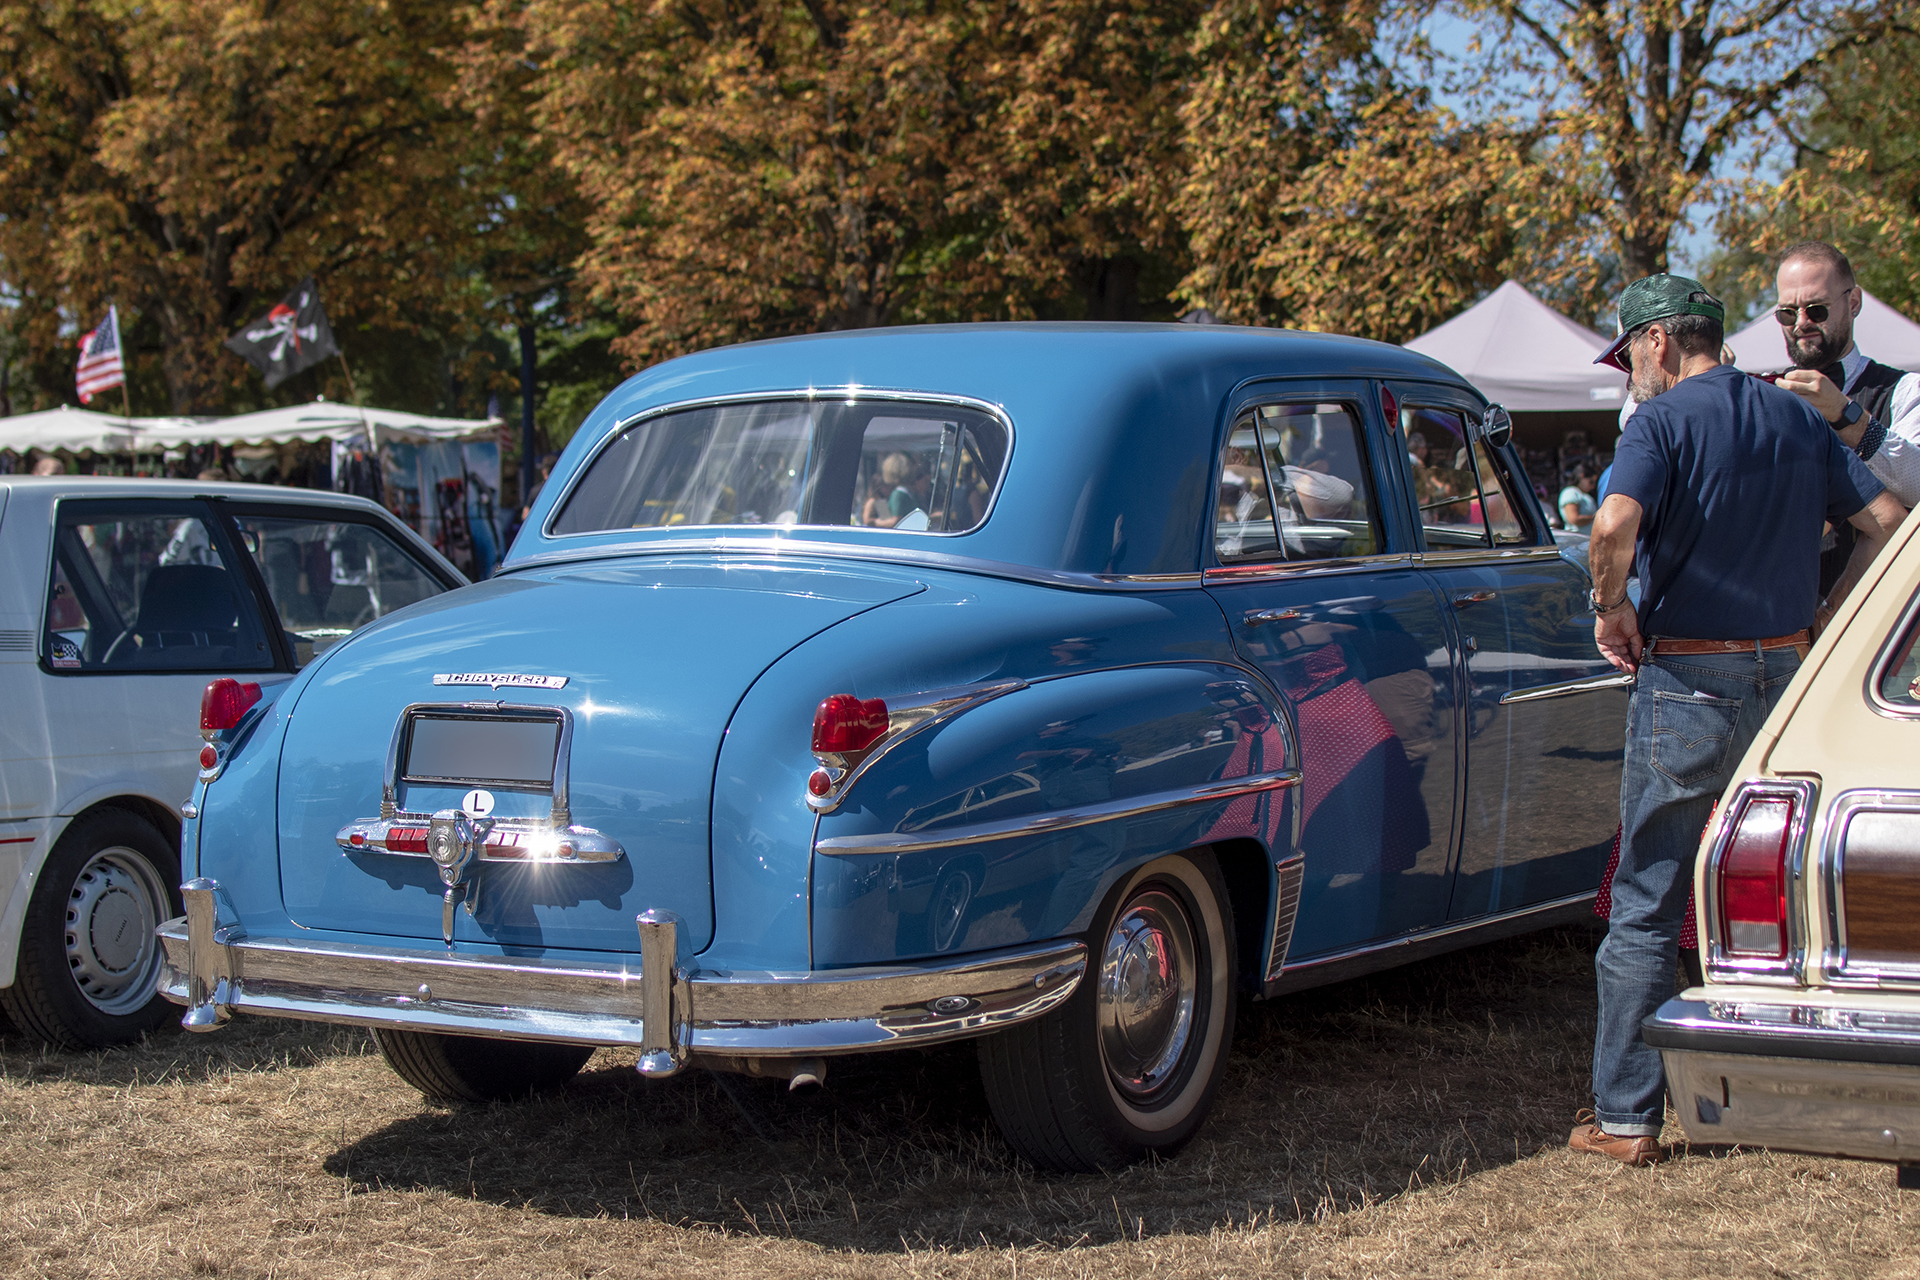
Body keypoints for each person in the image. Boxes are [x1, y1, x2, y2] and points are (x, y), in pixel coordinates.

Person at [1571, 273, 1906, 1168]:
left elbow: (1612, 523)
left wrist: (1609, 608)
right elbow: (1886, 519)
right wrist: (1834, 616)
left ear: (1656, 343)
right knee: (1775, 899)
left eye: (1630, 355)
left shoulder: (1661, 420)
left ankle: (1626, 1119)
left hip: (1687, 677)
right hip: (1789, 678)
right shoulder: (1796, 416)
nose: (1632, 374)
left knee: (1648, 900)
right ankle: (1790, 1098)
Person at [1771, 242, 1920, 595]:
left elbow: (1917, 485)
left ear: (1853, 303)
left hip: (1880, 622)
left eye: (1816, 310)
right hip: (1779, 623)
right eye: (1787, 314)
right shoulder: (1767, 396)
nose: (1801, 324)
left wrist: (1845, 415)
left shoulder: (1902, 389)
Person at [1558, 462, 1597, 532]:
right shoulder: (1571, 492)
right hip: (1577, 540)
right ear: (1582, 476)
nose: (1593, 486)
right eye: (1591, 482)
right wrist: (1596, 517)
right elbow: (1573, 518)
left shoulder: (1584, 494)